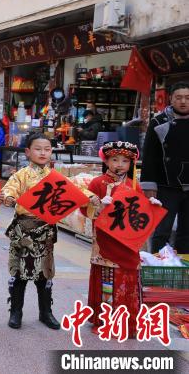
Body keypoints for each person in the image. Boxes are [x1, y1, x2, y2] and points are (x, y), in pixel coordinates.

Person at [86, 141, 162, 336]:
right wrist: (98, 205)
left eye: (125, 161)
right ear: (107, 161)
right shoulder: (97, 183)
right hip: (105, 242)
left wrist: (151, 205)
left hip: (127, 242)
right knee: (107, 280)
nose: (119, 164)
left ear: (131, 164)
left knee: (127, 279)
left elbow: (139, 214)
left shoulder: (133, 185)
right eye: (114, 159)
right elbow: (84, 209)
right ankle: (104, 321)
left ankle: (128, 323)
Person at [0, 133, 64, 330]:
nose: (43, 152)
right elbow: (9, 189)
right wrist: (9, 197)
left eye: (47, 149)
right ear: (28, 152)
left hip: (45, 230)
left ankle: (46, 312)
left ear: (51, 152)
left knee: (44, 274)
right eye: (38, 149)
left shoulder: (55, 177)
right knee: (20, 272)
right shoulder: (21, 175)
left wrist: (90, 197)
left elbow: (73, 190)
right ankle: (16, 311)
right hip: (24, 230)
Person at [141, 82, 189, 253]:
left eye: (187, 98)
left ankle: (184, 270)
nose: (183, 101)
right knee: (162, 231)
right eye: (179, 97)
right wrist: (148, 185)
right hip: (166, 186)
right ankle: (158, 268)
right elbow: (149, 156)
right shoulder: (159, 122)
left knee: (187, 232)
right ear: (171, 98)